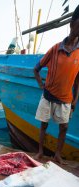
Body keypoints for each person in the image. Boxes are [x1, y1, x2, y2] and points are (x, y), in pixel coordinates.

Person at [34, 5, 79, 164]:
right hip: (48, 96)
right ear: (71, 24)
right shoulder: (54, 49)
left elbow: (78, 80)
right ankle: (40, 152)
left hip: (66, 99)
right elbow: (36, 69)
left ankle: (57, 154)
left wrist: (75, 100)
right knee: (43, 125)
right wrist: (40, 84)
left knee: (64, 127)